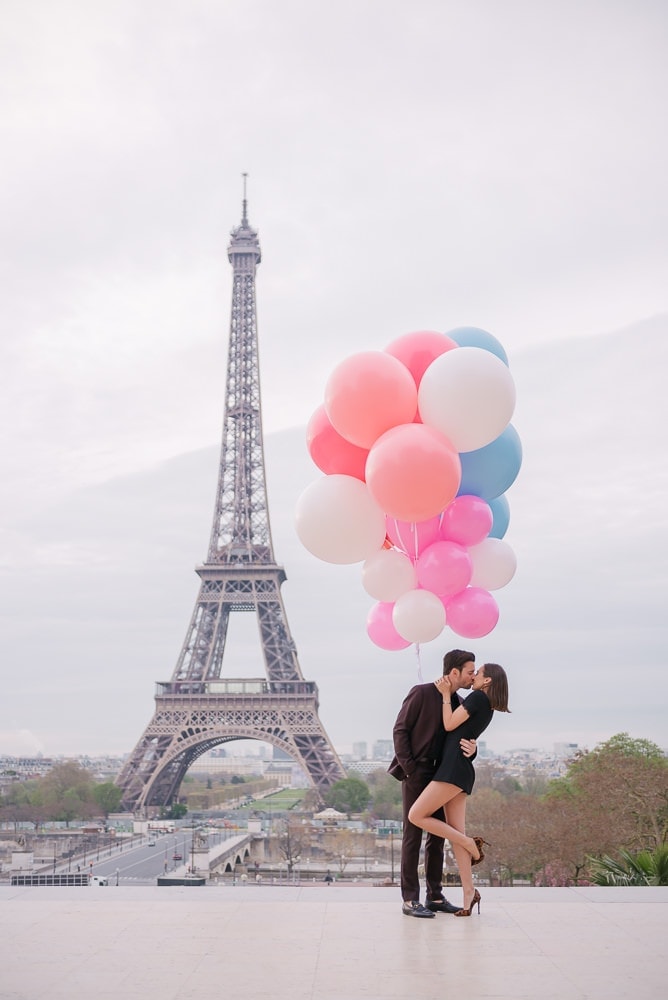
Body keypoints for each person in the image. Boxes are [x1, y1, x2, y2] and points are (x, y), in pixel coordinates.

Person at [408, 662, 510, 917]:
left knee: (416, 816)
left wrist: (444, 696)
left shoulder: (476, 698)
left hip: (452, 769)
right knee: (454, 834)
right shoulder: (488, 706)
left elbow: (450, 724)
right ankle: (469, 894)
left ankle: (470, 843)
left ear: (487, 681)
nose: (475, 676)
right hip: (461, 769)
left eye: (479, 673)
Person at [389, 649, 478, 918]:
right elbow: (400, 730)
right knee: (413, 835)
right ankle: (410, 899)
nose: (473, 677)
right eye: (469, 672)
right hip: (418, 772)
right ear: (454, 672)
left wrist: (473, 750)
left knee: (438, 838)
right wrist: (411, 770)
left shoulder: (460, 703)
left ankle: (435, 896)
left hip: (443, 776)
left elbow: (466, 741)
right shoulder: (421, 693)